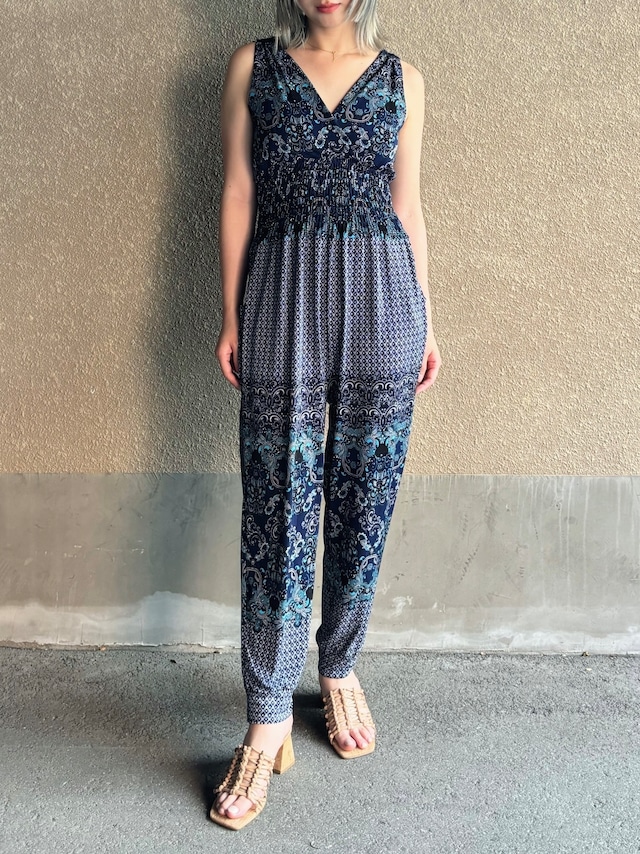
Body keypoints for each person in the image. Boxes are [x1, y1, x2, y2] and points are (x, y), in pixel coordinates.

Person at [211, 0, 441, 830]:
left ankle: (339, 667)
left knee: (364, 502)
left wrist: (427, 318)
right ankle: (268, 715)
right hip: (282, 298)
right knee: (277, 507)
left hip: (385, 302)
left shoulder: (404, 80)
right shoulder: (255, 67)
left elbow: (407, 206)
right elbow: (239, 191)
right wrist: (232, 315)